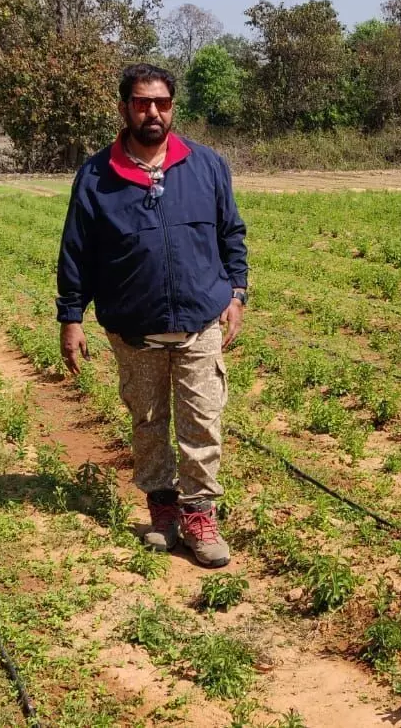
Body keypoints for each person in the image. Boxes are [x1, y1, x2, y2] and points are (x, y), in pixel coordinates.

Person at [56, 63, 248, 568]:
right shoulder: (97, 176)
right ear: (124, 108)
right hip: (134, 328)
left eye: (161, 103)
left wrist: (237, 291)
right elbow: (76, 252)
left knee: (202, 422)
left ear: (173, 108)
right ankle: (162, 509)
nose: (152, 112)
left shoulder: (205, 165)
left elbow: (231, 233)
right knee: (147, 421)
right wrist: (71, 317)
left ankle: (201, 513)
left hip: (200, 321)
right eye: (142, 103)